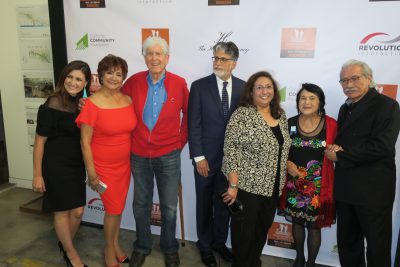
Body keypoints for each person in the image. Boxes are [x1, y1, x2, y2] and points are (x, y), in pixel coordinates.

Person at [121, 36, 189, 267]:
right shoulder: (133, 82)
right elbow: (115, 102)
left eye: (159, 54)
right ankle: (142, 245)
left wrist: (179, 142)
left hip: (169, 154)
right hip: (139, 154)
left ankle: (169, 246)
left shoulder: (179, 83)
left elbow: (189, 115)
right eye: (149, 54)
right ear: (144, 57)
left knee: (169, 206)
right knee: (141, 204)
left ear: (167, 58)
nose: (154, 58)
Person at [325, 59, 400, 267]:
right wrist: (335, 148)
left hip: (373, 191)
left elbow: (382, 146)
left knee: (377, 246)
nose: (349, 84)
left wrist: (341, 156)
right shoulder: (344, 107)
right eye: (344, 80)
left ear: (369, 78)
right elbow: (346, 141)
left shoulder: (388, 105)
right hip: (346, 188)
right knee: (348, 244)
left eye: (355, 78)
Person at [222, 71, 291, 267]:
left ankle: (253, 262)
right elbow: (230, 151)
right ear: (251, 91)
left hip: (273, 186)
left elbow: (281, 147)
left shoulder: (281, 114)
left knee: (261, 230)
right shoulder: (242, 115)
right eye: (259, 87)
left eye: (268, 87)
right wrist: (233, 185)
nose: (264, 91)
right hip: (247, 188)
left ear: (274, 91)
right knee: (244, 233)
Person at [187, 41, 245, 267]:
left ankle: (219, 243)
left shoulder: (244, 87)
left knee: (225, 205)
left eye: (222, 59)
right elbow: (194, 124)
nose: (217, 62)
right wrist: (198, 157)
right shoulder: (199, 86)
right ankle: (204, 245)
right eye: (215, 58)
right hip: (205, 159)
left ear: (234, 63)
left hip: (230, 162)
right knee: (203, 204)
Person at [76, 54, 137, 267]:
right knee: (112, 211)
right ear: (100, 75)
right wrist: (91, 173)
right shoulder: (91, 104)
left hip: (124, 166)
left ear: (124, 78)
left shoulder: (127, 100)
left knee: (117, 210)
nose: (114, 77)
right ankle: (109, 250)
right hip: (103, 168)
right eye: (109, 72)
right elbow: (85, 143)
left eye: (119, 74)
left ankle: (116, 244)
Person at [32, 60, 91, 267]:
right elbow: (39, 143)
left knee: (77, 211)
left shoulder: (83, 103)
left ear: (85, 83)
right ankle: (72, 254)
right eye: (70, 77)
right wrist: (37, 174)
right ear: (63, 77)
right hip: (54, 165)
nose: (73, 83)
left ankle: (66, 244)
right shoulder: (53, 103)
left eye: (79, 79)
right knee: (61, 210)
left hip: (75, 164)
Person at [280, 83, 337, 267]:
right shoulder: (289, 123)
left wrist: (337, 151)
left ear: (320, 102)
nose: (307, 102)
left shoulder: (331, 125)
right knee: (296, 222)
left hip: (319, 188)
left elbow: (340, 150)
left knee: (314, 227)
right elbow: (280, 150)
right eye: (303, 98)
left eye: (312, 98)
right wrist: (286, 163)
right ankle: (299, 258)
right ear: (297, 102)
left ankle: (311, 263)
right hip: (294, 185)